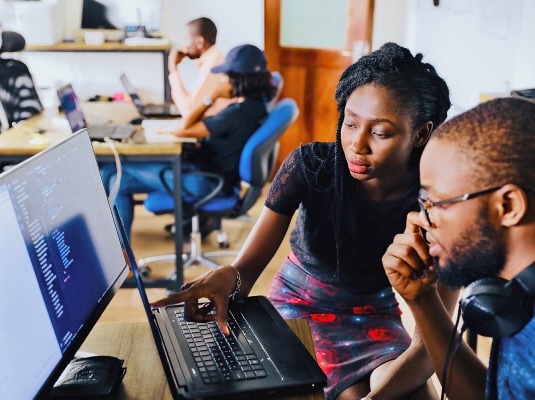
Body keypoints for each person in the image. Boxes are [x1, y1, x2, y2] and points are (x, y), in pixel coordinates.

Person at [152, 42, 455, 400]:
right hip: (298, 307)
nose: (357, 145)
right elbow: (245, 271)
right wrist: (228, 277)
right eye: (351, 123)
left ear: (420, 133)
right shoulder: (310, 167)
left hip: (374, 318)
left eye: (380, 132)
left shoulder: (439, 202)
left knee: (418, 395)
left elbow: (432, 345)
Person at [382, 97, 535, 400]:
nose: (420, 220)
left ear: (507, 206)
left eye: (434, 203)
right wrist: (422, 300)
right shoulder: (513, 294)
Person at [101, 44, 276, 236]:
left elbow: (183, 129)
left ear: (238, 78)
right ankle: (120, 250)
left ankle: (120, 253)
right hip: (213, 177)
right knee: (114, 175)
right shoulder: (256, 106)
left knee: (115, 174)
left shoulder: (237, 113)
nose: (222, 79)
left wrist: (212, 96)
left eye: (226, 75)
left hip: (205, 182)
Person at [168, 17, 226, 118]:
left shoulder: (213, 64)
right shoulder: (213, 58)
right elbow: (192, 103)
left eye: (186, 39)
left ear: (200, 42)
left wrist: (173, 68)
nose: (183, 45)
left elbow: (189, 111)